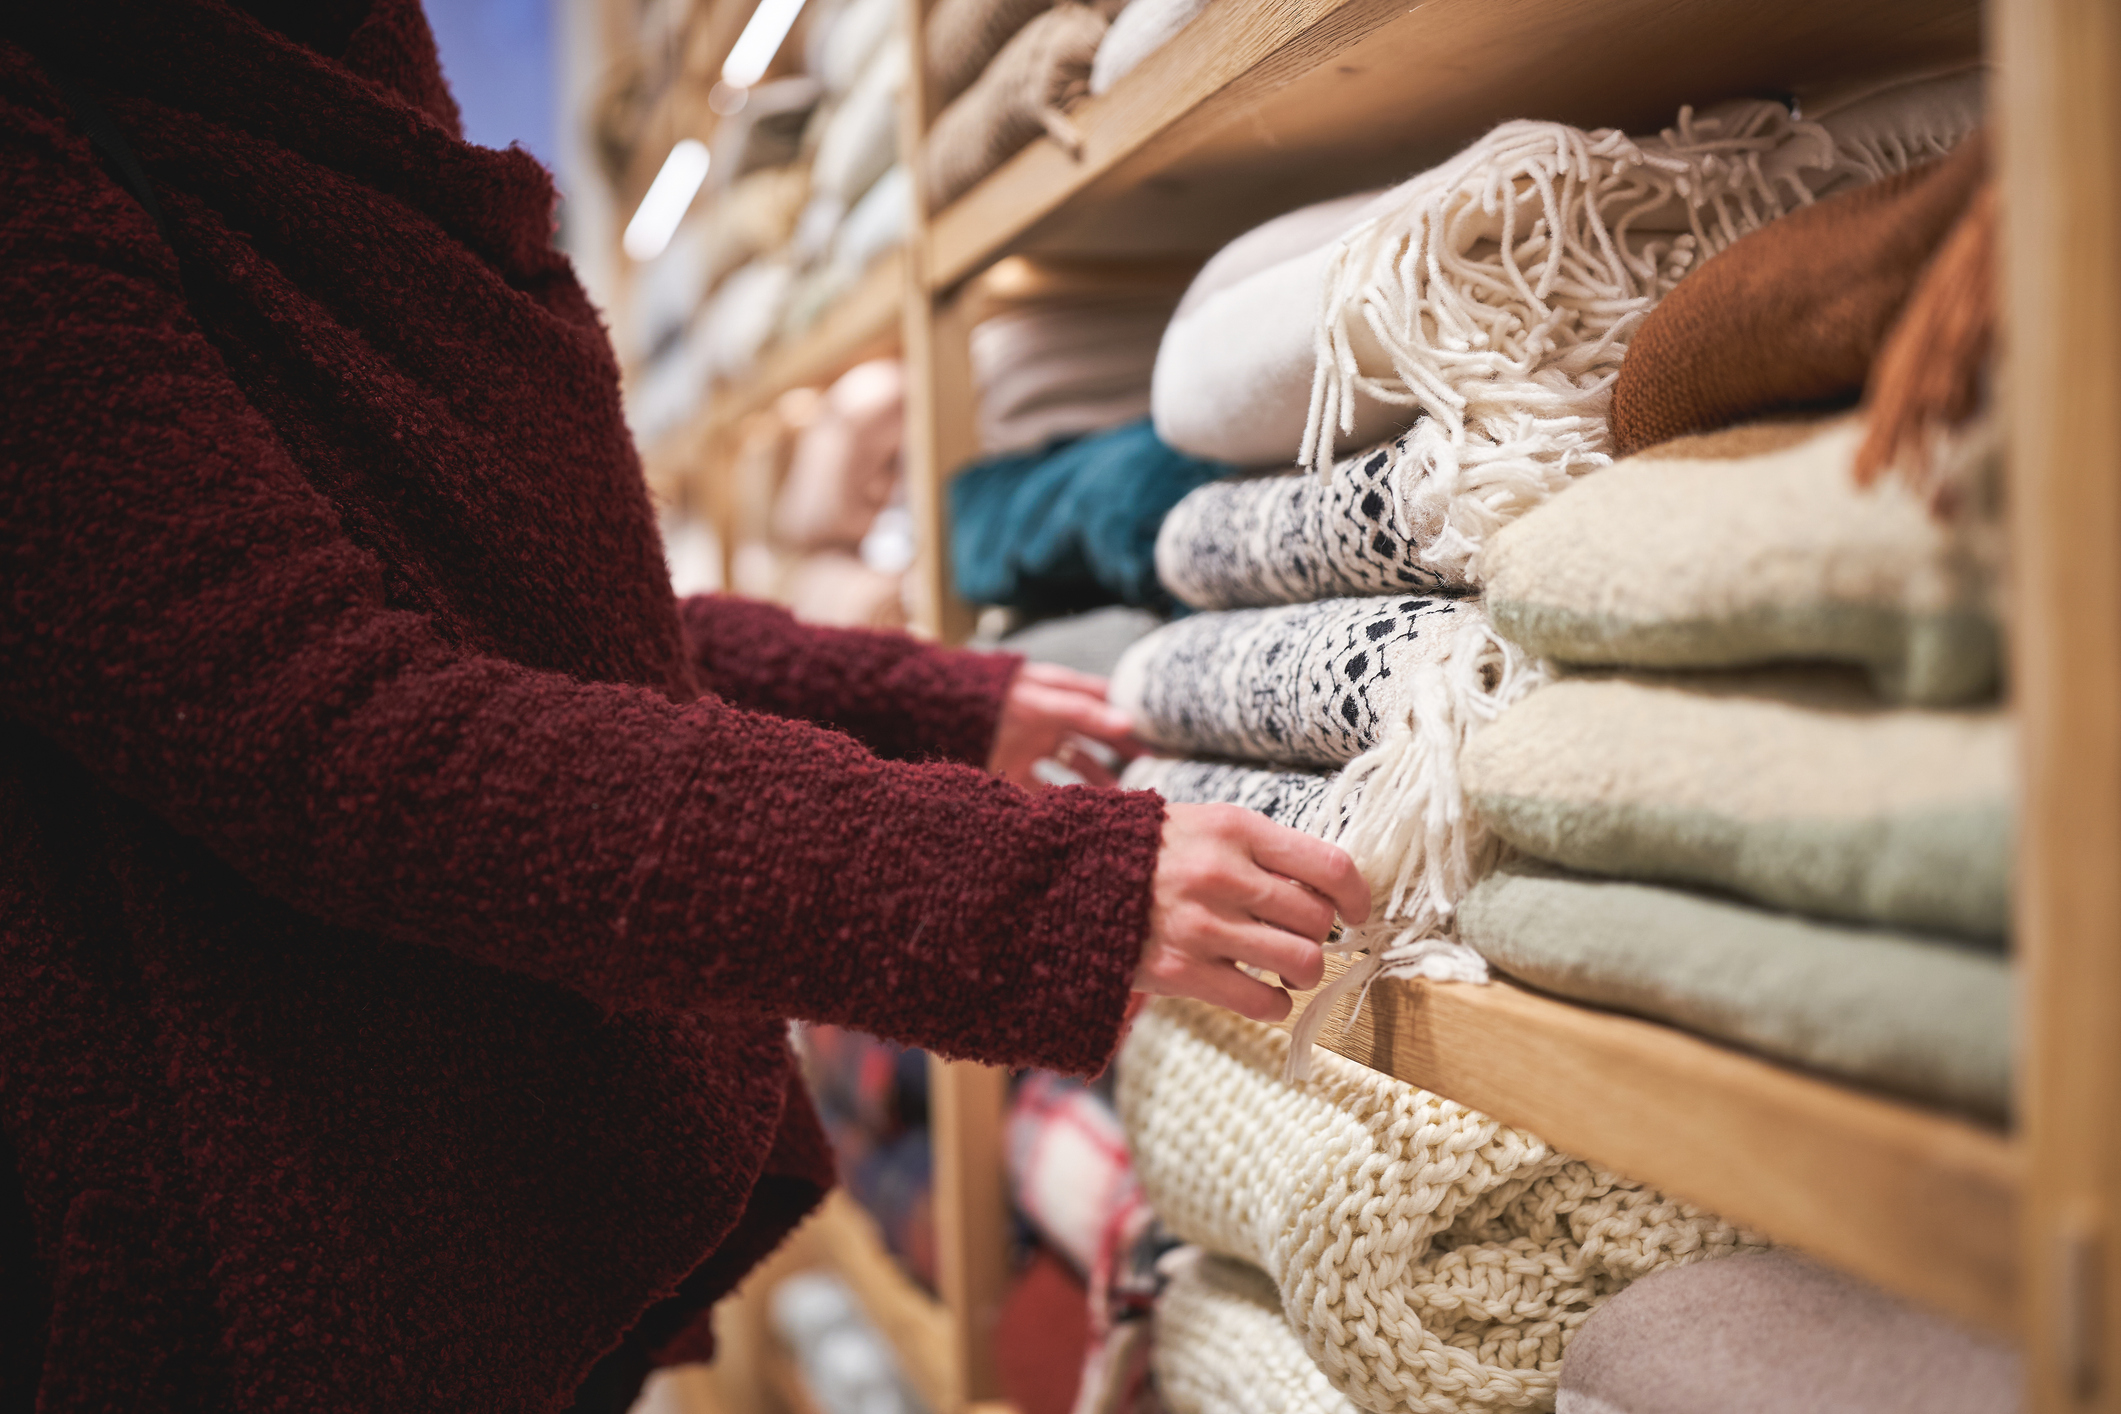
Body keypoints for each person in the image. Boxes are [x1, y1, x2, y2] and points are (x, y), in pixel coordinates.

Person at [0, 3, 1369, 1409]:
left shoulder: (301, 69)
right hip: (293, 1195)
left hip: (442, 1137)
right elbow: (324, 730)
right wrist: (1039, 889)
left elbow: (527, 621)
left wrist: (932, 697)